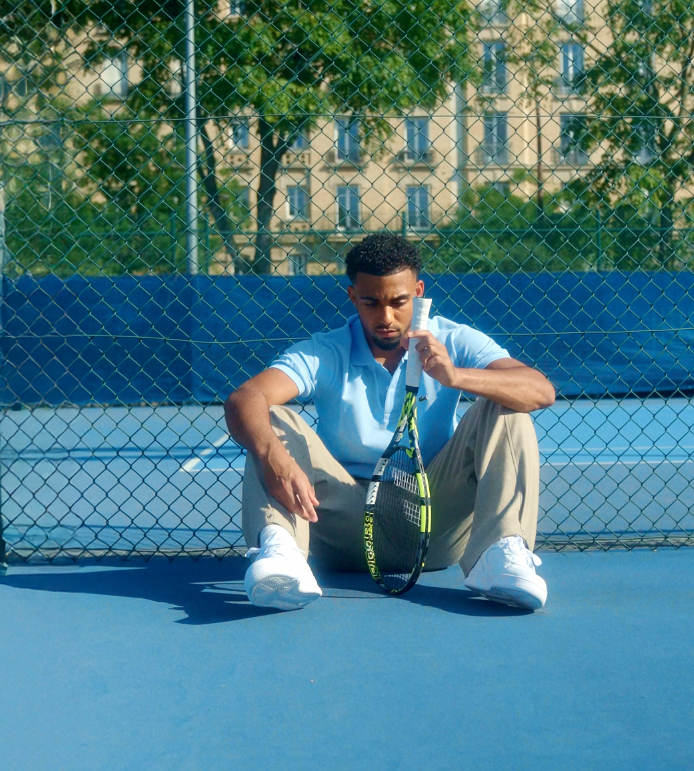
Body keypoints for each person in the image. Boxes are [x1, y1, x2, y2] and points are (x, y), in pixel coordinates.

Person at [224, 233, 557, 611]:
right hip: (343, 530)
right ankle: (284, 554)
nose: (386, 317)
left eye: (398, 302)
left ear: (418, 292)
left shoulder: (453, 339)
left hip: (432, 524)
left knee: (506, 407)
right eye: (371, 302)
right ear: (353, 297)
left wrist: (456, 376)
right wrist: (273, 456)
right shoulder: (325, 350)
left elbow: (541, 390)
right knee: (273, 421)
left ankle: (498, 556)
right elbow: (244, 398)